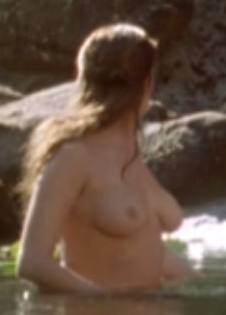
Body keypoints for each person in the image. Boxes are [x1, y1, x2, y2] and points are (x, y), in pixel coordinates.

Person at [15, 23, 190, 295]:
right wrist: (104, 301)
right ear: (146, 83)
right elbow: (32, 262)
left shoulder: (130, 153)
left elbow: (133, 248)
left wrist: (203, 282)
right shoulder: (74, 156)